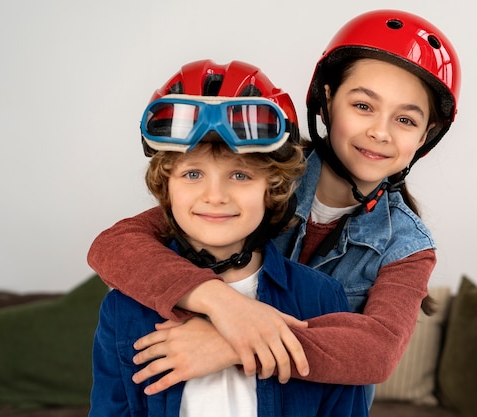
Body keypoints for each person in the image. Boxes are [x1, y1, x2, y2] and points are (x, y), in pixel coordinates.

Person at [87, 9, 461, 407]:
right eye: (363, 106)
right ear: (328, 99)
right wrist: (224, 305)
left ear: (427, 135)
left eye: (405, 119)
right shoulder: (258, 168)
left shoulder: (408, 247)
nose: (380, 132)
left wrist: (233, 342)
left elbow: (378, 352)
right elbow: (115, 246)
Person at [88, 59, 369, 417]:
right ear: (166, 187)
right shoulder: (123, 309)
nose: (215, 196)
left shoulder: (320, 297)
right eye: (192, 174)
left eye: (240, 175)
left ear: (272, 188)